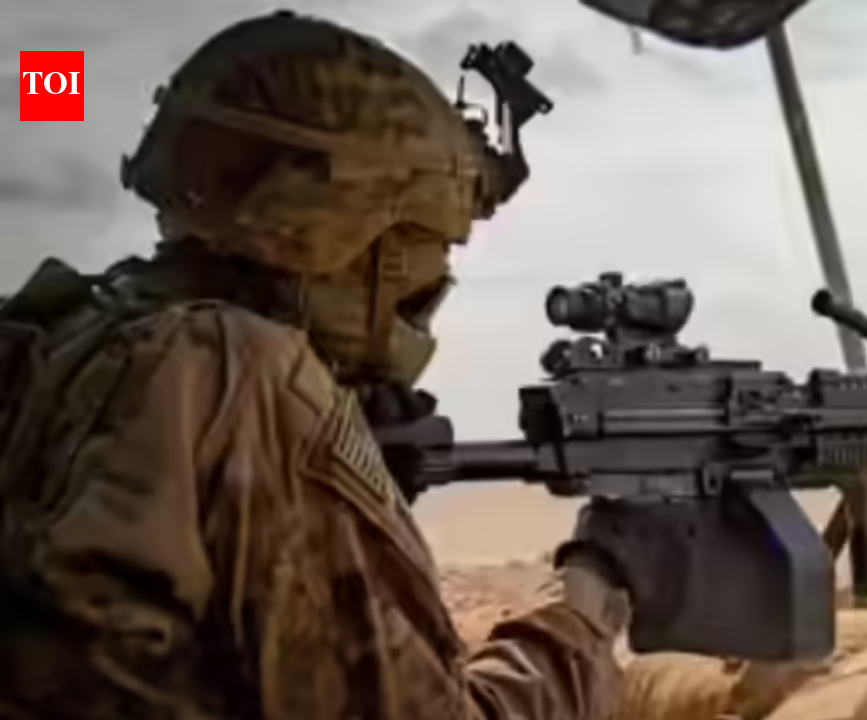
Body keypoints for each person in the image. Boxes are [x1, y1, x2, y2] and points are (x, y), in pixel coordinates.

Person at [0, 11, 627, 720]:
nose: (440, 275)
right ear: (337, 229)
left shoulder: (58, 333)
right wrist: (583, 611)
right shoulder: (246, 376)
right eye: (430, 241)